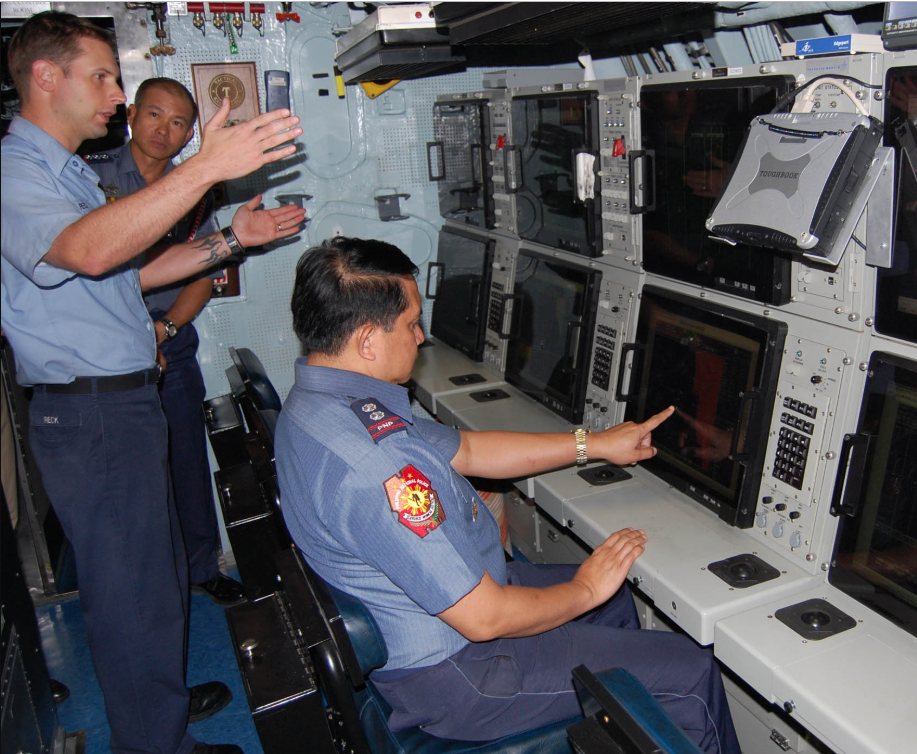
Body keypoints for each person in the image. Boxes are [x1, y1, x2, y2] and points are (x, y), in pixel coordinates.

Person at [276, 237, 741, 754]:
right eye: (410, 325)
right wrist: (585, 587)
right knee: (692, 671)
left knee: (616, 602)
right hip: (463, 675)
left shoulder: (322, 403)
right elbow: (485, 618)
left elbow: (471, 450)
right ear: (367, 340)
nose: (421, 336)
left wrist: (596, 443)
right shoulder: (375, 465)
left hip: (448, 616)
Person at [1, 11, 303, 754]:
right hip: (91, 415)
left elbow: (129, 274)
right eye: (101, 76)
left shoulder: (67, 172)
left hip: (125, 403)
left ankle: (160, 730)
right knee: (133, 602)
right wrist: (205, 166)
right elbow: (89, 252)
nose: (115, 94)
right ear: (47, 76)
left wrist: (232, 238)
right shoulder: (16, 174)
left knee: (158, 586)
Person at [85, 77, 244, 606]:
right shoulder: (88, 177)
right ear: (130, 115)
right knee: (125, 475)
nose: (164, 130)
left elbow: (205, 270)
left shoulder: (194, 194)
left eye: (179, 123)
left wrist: (167, 328)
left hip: (169, 340)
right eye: (155, 115)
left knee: (185, 460)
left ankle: (201, 566)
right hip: (103, 351)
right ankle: (145, 584)